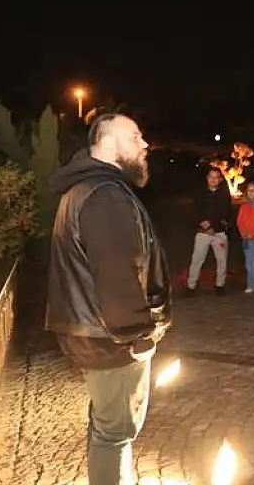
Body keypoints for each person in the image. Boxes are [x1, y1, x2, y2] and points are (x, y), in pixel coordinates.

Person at [46, 114, 171, 485]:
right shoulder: (104, 195)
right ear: (106, 142)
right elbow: (117, 273)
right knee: (116, 431)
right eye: (135, 136)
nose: (144, 144)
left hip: (94, 331)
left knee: (106, 424)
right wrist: (139, 335)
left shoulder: (88, 189)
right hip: (112, 337)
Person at [186, 168, 233, 295]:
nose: (213, 180)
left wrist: (214, 225)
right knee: (197, 260)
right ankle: (191, 286)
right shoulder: (200, 192)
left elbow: (226, 211)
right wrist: (203, 224)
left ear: (220, 179)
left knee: (222, 260)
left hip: (219, 233)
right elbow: (194, 210)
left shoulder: (224, 194)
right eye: (211, 177)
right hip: (203, 232)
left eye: (216, 177)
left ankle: (220, 285)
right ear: (207, 178)